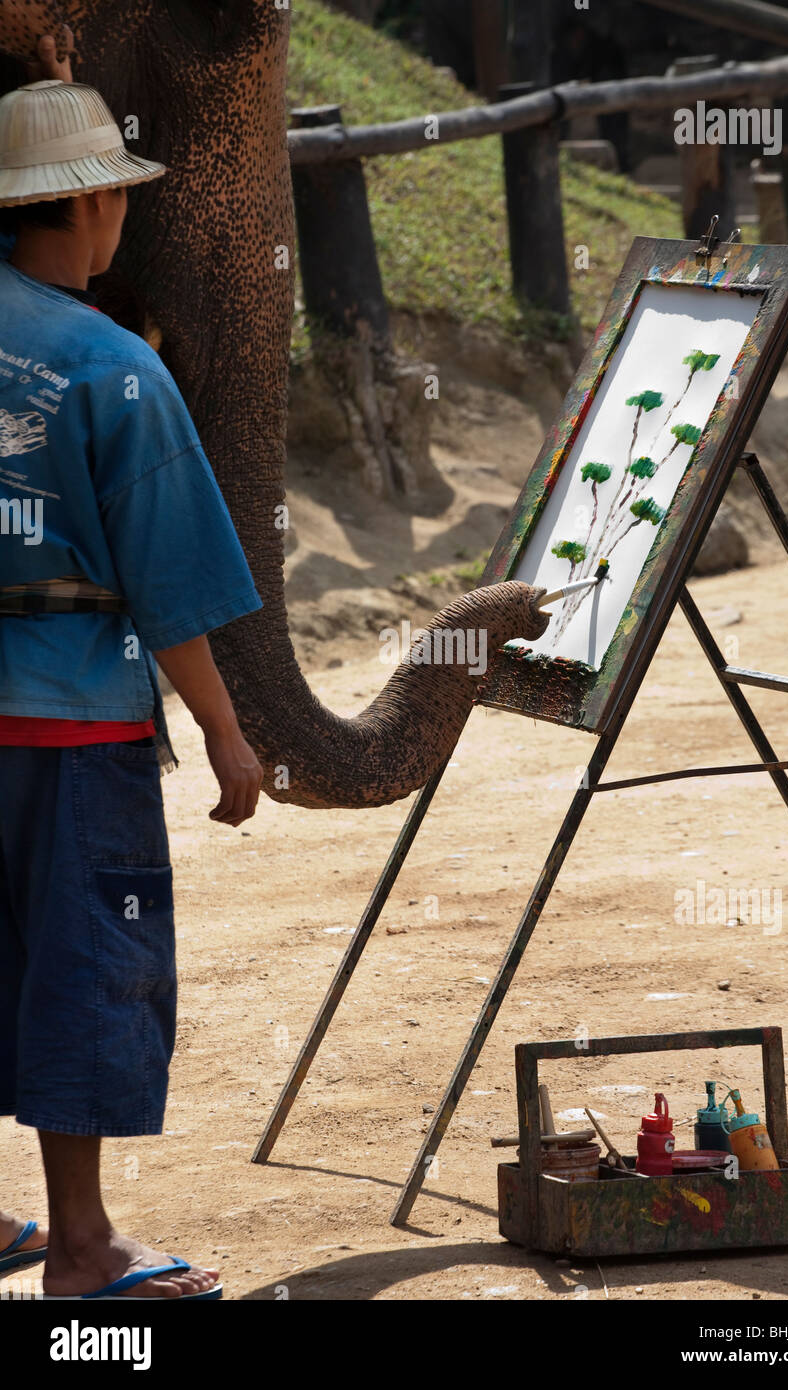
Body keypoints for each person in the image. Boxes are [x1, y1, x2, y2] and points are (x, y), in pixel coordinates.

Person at [0, 49, 265, 1301]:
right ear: (95, 202)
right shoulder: (114, 367)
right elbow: (172, 581)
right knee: (82, 963)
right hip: (71, 729)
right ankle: (85, 1248)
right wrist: (224, 732)